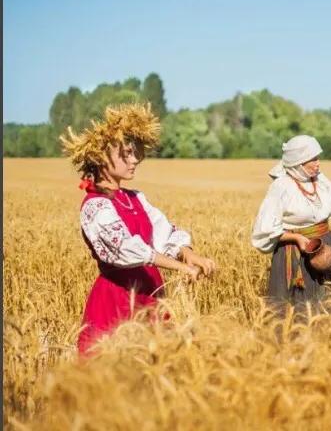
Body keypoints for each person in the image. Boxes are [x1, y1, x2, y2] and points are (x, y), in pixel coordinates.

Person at [61, 103, 217, 354]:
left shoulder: (135, 198)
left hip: (151, 296)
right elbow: (127, 249)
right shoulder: (96, 207)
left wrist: (189, 254)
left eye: (135, 153)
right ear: (101, 159)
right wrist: (180, 267)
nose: (134, 160)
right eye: (126, 154)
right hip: (118, 300)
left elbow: (163, 232)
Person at [251, 135, 331, 307]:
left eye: (317, 158)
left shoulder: (320, 180)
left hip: (327, 246)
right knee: (299, 309)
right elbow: (264, 229)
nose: (318, 163)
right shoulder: (281, 186)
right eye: (312, 159)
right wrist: (296, 238)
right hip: (295, 252)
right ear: (298, 162)